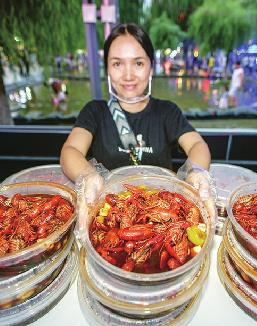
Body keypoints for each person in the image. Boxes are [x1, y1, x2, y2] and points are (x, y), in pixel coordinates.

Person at [60, 23, 212, 207]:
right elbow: (70, 151)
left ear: (151, 67)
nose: (128, 75)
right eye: (117, 64)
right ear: (107, 68)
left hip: (161, 208)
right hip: (110, 209)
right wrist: (88, 175)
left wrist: (195, 171)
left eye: (138, 63)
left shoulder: (167, 111)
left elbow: (197, 144)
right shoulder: (95, 111)